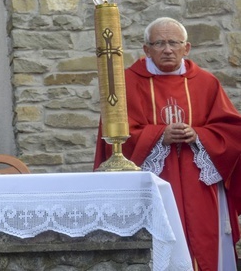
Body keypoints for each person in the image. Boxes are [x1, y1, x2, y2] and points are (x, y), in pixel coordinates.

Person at [94, 17, 241, 271]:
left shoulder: (206, 83)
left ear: (187, 48)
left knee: (205, 244)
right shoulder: (126, 84)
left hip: (200, 187)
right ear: (146, 49)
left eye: (174, 42)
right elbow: (114, 139)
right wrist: (159, 135)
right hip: (152, 184)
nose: (167, 49)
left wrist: (198, 135)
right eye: (159, 43)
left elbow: (231, 131)